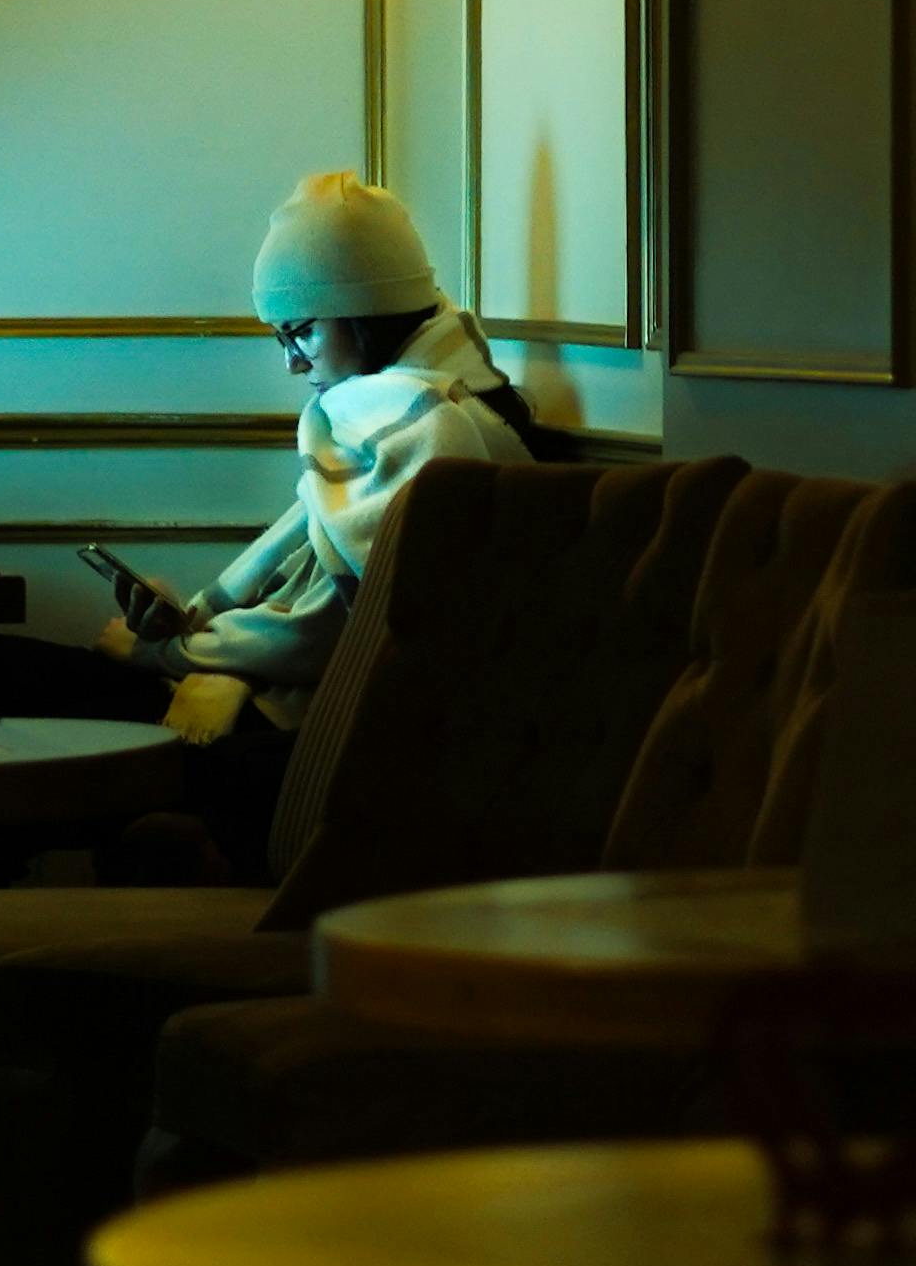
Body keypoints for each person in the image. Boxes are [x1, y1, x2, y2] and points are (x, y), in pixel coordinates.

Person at [31, 169, 549, 874]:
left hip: (325, 732)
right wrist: (181, 624)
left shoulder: (412, 419)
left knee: (10, 691)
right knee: (16, 687)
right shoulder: (440, 401)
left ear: (366, 310)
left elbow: (328, 631)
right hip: (306, 709)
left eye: (301, 330)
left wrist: (163, 652)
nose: (291, 361)